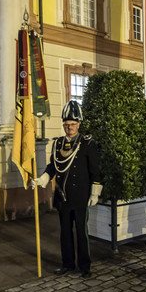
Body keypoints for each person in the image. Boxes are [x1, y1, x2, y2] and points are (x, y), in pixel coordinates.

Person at [32, 100, 102, 278]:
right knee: (65, 233)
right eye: (66, 124)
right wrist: (42, 179)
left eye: (72, 124)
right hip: (62, 196)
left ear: (78, 124)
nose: (68, 128)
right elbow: (52, 167)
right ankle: (67, 263)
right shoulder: (58, 144)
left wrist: (95, 193)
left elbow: (96, 171)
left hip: (80, 197)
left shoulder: (87, 144)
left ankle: (84, 266)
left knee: (81, 232)